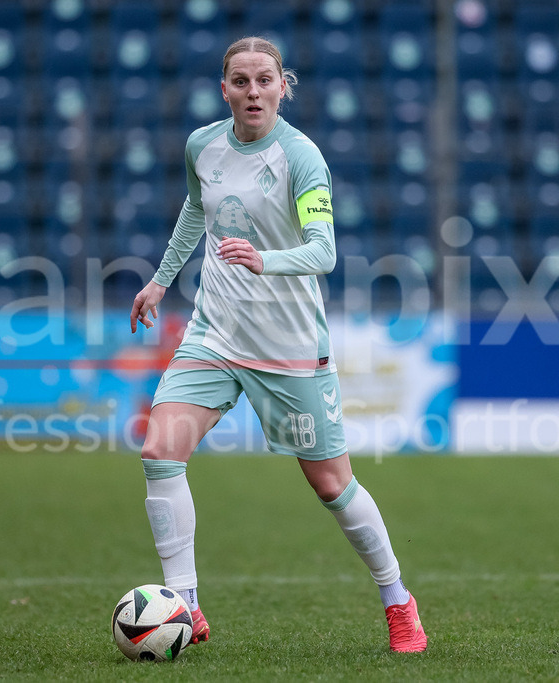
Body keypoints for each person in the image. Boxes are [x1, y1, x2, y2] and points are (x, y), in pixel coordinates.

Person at [128, 36, 427, 653]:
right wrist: (161, 280)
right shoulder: (202, 146)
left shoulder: (302, 157)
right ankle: (184, 603)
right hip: (215, 332)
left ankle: (397, 599)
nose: (253, 92)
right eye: (240, 81)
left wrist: (265, 259)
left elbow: (324, 251)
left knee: (332, 487)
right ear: (225, 90)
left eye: (265, 80)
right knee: (160, 448)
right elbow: (195, 209)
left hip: (289, 348)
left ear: (283, 85)